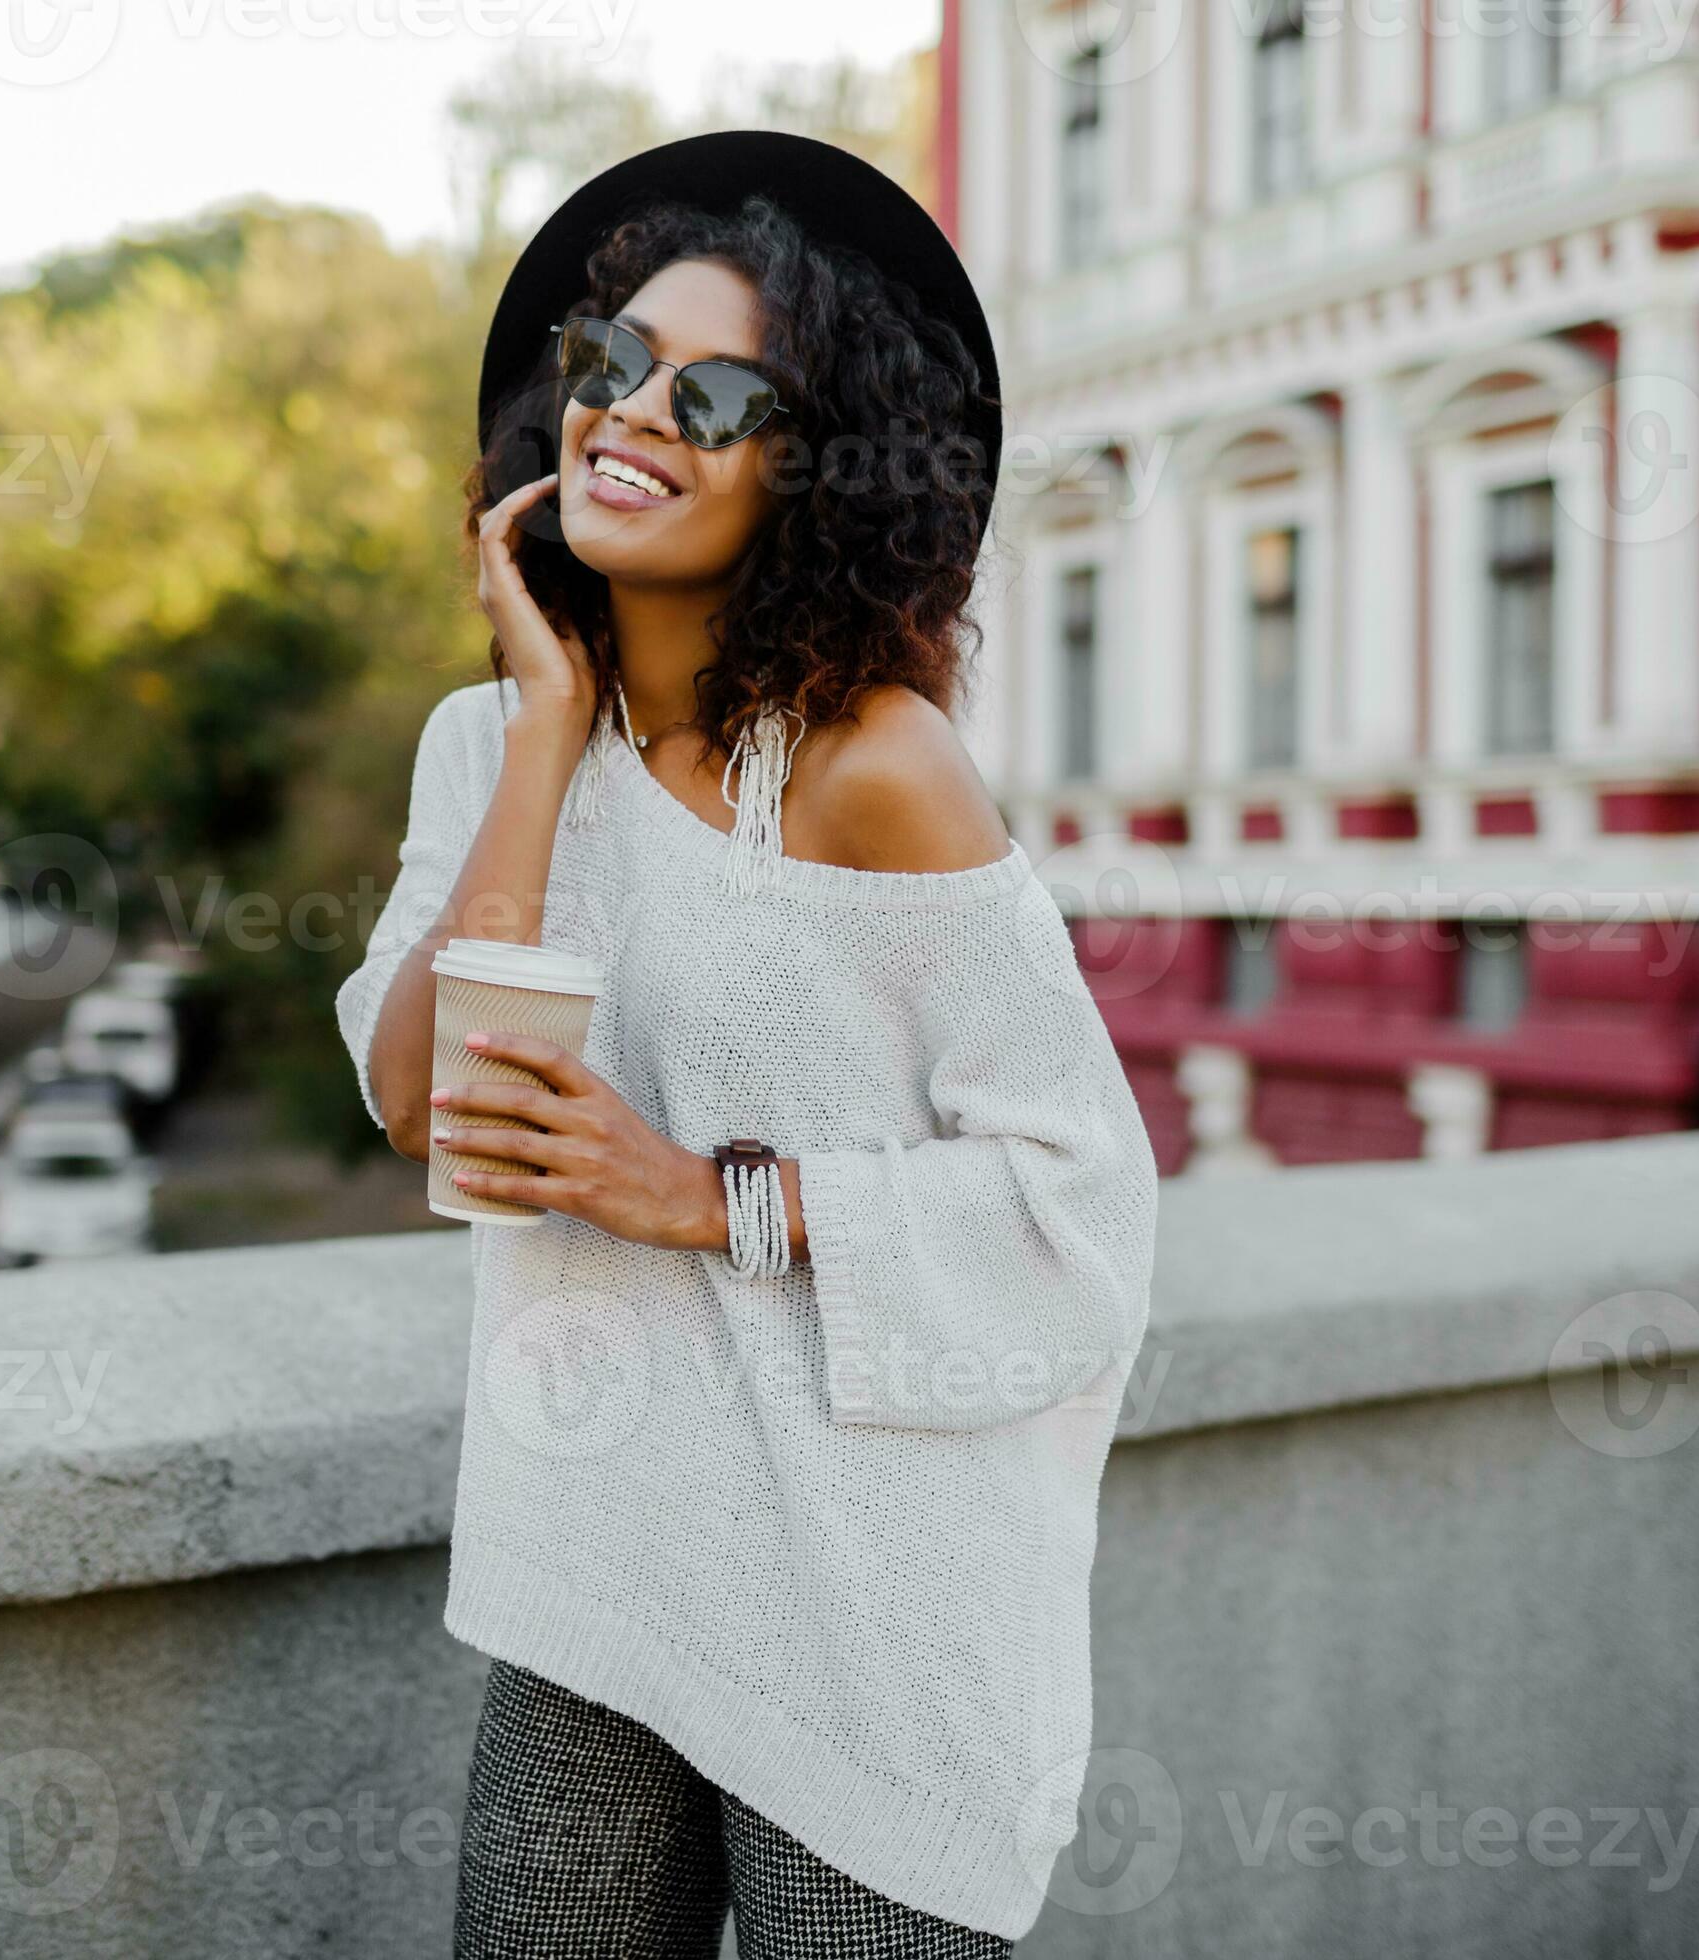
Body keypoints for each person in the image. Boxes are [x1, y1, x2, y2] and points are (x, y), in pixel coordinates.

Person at [335, 131, 1160, 1957]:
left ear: (815, 472)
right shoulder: (484, 751)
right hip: (597, 1568)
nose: (636, 416)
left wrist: (706, 1199)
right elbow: (417, 1097)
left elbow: (1082, 1217)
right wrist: (549, 730)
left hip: (877, 1601)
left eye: (716, 394)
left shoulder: (882, 769)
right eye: (611, 367)